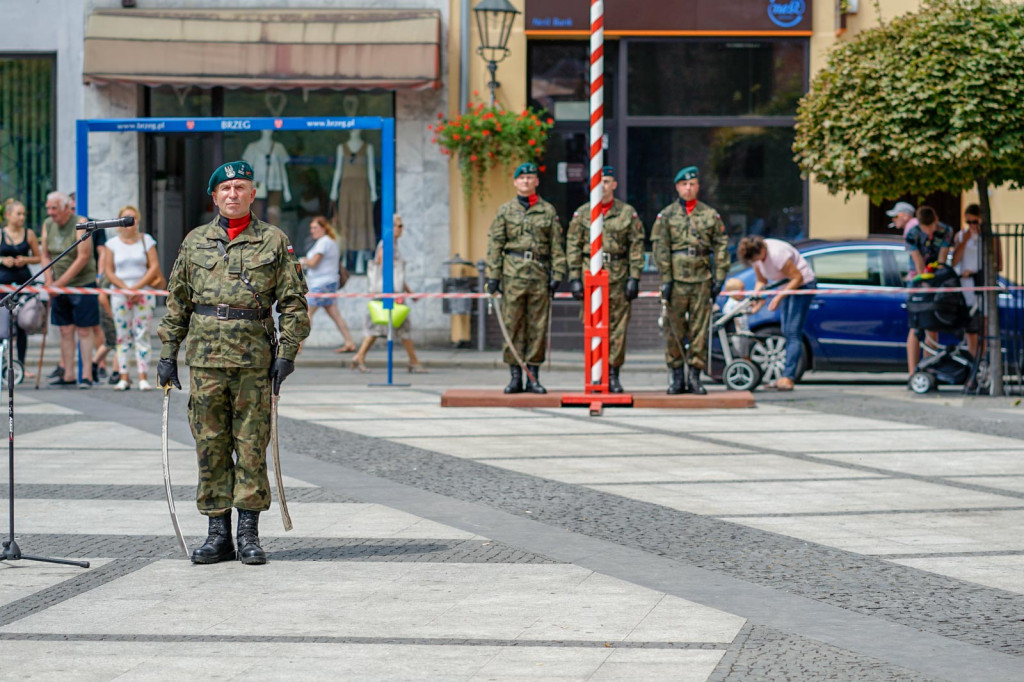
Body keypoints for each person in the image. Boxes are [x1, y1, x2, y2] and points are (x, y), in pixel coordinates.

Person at [157, 160, 310, 566]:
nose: (232, 194)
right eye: (225, 189)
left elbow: (294, 304)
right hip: (205, 362)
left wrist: (287, 354)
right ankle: (217, 534)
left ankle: (249, 534)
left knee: (251, 447)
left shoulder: (274, 242)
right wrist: (168, 353)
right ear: (214, 196)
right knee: (210, 446)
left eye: (240, 187)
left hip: (254, 364)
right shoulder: (194, 242)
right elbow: (178, 303)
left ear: (252, 194)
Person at [486, 163, 567, 394]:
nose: (525, 182)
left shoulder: (547, 211)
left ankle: (533, 376)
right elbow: (495, 244)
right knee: (513, 326)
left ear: (536, 182)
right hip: (513, 275)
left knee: (537, 327)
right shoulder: (505, 211)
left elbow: (556, 246)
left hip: (539, 275)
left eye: (530, 178)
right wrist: (493, 276)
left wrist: (558, 274)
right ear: (515, 182)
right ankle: (514, 376)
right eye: (521, 178)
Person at [651, 166, 729, 395]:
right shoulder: (666, 215)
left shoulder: (709, 215)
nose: (688, 188)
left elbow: (721, 246)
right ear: (677, 187)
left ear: (698, 187)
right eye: (684, 184)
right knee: (673, 328)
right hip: (675, 280)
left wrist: (720, 277)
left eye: (692, 184)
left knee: (700, 330)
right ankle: (676, 376)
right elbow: (660, 248)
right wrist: (665, 278)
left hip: (701, 278)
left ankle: (695, 376)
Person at [566, 166, 644, 393]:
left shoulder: (627, 213)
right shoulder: (583, 214)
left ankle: (613, 373)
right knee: (592, 326)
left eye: (607, 182)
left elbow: (636, 247)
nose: (603, 186)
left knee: (617, 329)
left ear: (614, 185)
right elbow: (573, 246)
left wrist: (634, 277)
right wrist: (574, 278)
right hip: (590, 275)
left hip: (618, 276)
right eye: (599, 182)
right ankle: (595, 373)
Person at [738, 235, 818, 391]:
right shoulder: (757, 259)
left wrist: (779, 297)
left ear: (761, 250)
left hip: (802, 286)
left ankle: (788, 377)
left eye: (757, 258)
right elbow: (762, 281)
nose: (757, 262)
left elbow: (797, 278)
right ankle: (784, 376)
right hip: (785, 287)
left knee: (792, 332)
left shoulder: (777, 254)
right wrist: (756, 295)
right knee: (785, 331)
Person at [350, 214, 427, 373]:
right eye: (398, 225)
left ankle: (360, 356)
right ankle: (413, 362)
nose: (401, 229)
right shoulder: (387, 245)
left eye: (401, 225)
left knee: (383, 327)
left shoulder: (392, 245)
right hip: (388, 294)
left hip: (392, 292)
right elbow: (386, 269)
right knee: (386, 327)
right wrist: (393, 293)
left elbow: (396, 274)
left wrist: (409, 292)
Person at [41, 191, 98, 388]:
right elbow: (45, 254)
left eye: (54, 208)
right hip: (58, 286)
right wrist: (49, 281)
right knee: (65, 330)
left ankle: (87, 375)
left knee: (84, 330)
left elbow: (83, 257)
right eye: (48, 208)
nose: (50, 212)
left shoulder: (80, 222)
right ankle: (68, 374)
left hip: (82, 284)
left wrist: (60, 284)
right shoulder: (48, 224)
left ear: (66, 208)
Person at [103, 205, 160, 391]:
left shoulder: (146, 240)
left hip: (142, 292)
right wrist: (126, 289)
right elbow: (108, 271)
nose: (130, 223)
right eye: (126, 218)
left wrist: (137, 288)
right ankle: (124, 376)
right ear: (119, 222)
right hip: (121, 293)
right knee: (122, 335)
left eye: (133, 218)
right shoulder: (112, 244)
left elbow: (153, 267)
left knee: (142, 333)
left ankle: (143, 376)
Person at [904, 205, 954, 376]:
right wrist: (923, 284)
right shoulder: (912, 233)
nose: (928, 231)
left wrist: (936, 280)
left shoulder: (946, 230)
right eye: (925, 228)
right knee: (915, 326)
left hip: (936, 279)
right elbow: (918, 262)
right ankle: (912, 373)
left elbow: (942, 259)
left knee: (932, 325)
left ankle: (928, 368)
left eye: (930, 227)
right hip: (917, 281)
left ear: (936, 220)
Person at [299, 215, 356, 353]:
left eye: (315, 228)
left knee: (307, 313)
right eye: (311, 228)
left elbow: (313, 263)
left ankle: (299, 346)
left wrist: (304, 261)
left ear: (323, 228)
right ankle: (349, 341)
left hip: (322, 283)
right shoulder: (328, 241)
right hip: (328, 282)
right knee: (334, 314)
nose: (312, 231)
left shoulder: (324, 242)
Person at [952, 203, 1002, 359]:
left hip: (983, 285)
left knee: (984, 325)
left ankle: (981, 360)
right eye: (969, 222)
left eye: (975, 222)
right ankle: (973, 359)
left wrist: (978, 273)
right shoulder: (961, 236)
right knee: (970, 325)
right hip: (967, 289)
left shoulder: (991, 238)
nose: (972, 226)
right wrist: (964, 241)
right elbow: (954, 262)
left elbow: (998, 265)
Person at [0, 198, 42, 373]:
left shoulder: (29, 234)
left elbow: (39, 257)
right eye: (18, 214)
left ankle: (21, 365)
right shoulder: (1, 233)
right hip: (3, 284)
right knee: (3, 325)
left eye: (24, 214)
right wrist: (3, 260)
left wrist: (25, 259)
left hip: (24, 282)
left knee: (22, 324)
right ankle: (3, 363)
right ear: (8, 215)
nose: (22, 217)